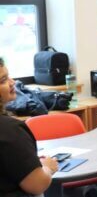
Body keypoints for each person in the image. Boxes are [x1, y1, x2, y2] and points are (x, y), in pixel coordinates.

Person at [0, 58, 59, 196]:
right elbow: (37, 185)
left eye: (8, 76)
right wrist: (46, 167)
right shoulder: (9, 130)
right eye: (3, 80)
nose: (12, 82)